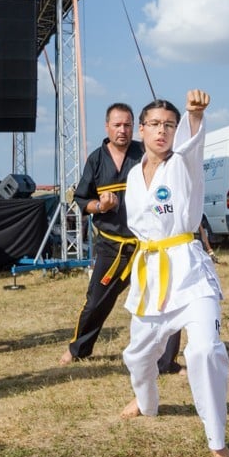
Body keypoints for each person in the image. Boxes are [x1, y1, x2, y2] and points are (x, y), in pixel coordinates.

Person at [119, 90, 229, 457]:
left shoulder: (183, 162)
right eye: (154, 124)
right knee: (138, 355)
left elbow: (191, 143)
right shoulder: (134, 175)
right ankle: (147, 400)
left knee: (203, 350)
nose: (162, 131)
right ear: (141, 130)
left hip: (188, 269)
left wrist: (194, 115)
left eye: (168, 125)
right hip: (151, 274)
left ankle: (216, 438)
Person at [60, 103, 183, 375]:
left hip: (148, 246)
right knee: (97, 300)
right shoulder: (96, 159)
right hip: (112, 245)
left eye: (127, 125)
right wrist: (99, 206)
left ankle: (167, 361)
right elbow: (81, 200)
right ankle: (78, 348)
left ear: (135, 127)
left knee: (166, 300)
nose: (122, 130)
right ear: (107, 127)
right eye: (117, 125)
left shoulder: (146, 153)